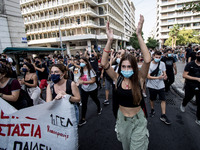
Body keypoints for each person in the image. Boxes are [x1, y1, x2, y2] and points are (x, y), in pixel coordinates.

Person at [101, 15, 151, 150]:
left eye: (129, 67)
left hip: (138, 121)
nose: (126, 69)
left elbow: (147, 60)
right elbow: (104, 63)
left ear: (134, 68)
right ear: (120, 67)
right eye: (124, 66)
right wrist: (109, 40)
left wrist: (139, 35)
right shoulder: (117, 78)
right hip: (122, 120)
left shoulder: (140, 78)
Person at [147, 51, 171, 125]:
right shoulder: (149, 65)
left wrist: (165, 76)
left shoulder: (162, 64)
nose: (158, 59)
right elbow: (148, 76)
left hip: (161, 85)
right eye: (156, 57)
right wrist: (158, 77)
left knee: (163, 99)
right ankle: (152, 109)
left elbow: (164, 73)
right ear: (153, 56)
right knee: (152, 99)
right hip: (152, 85)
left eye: (159, 57)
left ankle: (163, 115)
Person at [78, 57, 102, 126]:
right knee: (84, 103)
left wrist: (83, 81)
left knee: (95, 99)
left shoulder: (90, 70)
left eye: (82, 62)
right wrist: (79, 81)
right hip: (84, 89)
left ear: (86, 62)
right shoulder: (81, 70)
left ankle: (99, 108)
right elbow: (79, 77)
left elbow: (93, 80)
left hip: (92, 89)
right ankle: (83, 119)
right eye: (80, 62)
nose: (81, 63)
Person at [180, 50, 200, 126]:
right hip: (190, 85)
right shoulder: (190, 64)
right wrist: (197, 79)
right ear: (196, 55)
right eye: (198, 54)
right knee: (188, 97)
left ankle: (198, 118)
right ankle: (183, 104)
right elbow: (184, 75)